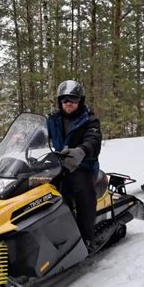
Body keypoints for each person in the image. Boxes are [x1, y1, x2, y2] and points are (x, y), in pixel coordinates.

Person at [47, 80, 102, 251]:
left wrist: (82, 150)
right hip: (59, 164)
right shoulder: (53, 119)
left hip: (83, 166)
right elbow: (39, 135)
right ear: (60, 102)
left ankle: (87, 237)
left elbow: (94, 139)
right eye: (65, 100)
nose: (68, 103)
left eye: (73, 100)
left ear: (80, 101)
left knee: (83, 193)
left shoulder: (89, 119)